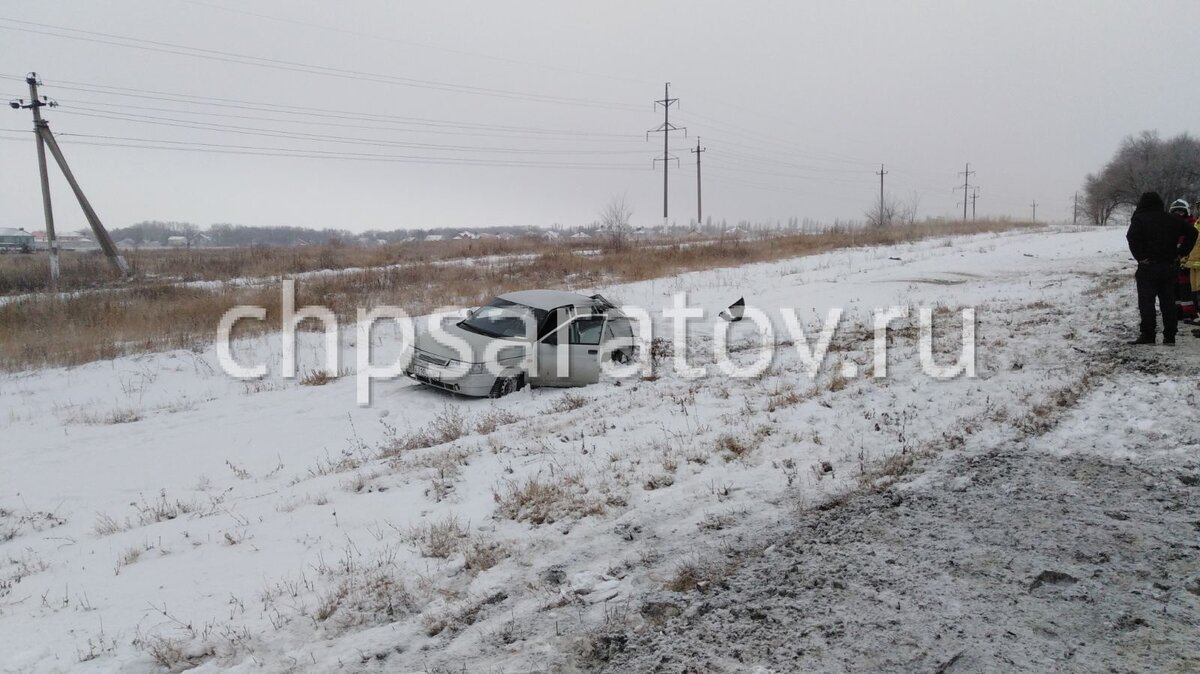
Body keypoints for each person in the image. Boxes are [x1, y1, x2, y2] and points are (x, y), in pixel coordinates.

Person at [1126, 191, 1197, 344]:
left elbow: (1131, 236)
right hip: (1169, 266)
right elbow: (1193, 232)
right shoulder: (1172, 219)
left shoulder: (1139, 219)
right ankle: (1170, 336)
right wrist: (1181, 253)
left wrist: (1140, 256)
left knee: (1147, 303)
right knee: (1168, 302)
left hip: (1147, 267)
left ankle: (1148, 335)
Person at [1169, 199, 1198, 322]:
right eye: (1176, 212)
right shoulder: (1168, 224)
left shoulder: (1193, 224)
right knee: (1174, 286)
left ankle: (1190, 312)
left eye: (1181, 212)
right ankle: (1177, 311)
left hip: (1189, 260)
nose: (1179, 215)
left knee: (1187, 287)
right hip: (1174, 259)